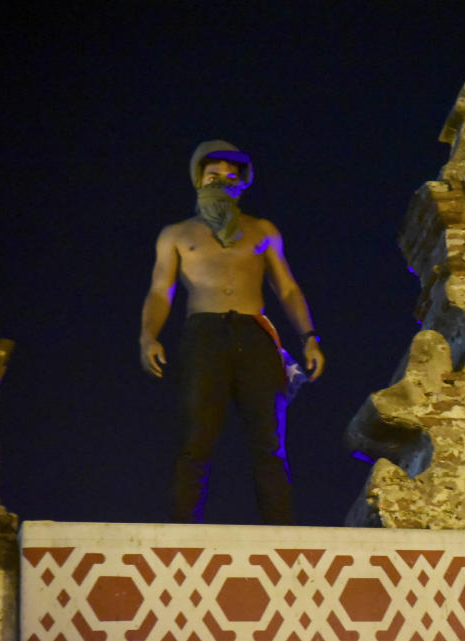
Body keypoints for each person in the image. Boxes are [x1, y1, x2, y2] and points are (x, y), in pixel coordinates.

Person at [139, 140, 324, 524]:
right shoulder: (176, 234)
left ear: (241, 182)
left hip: (254, 333)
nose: (221, 180)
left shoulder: (262, 231)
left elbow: (287, 288)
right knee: (196, 439)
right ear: (198, 181)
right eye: (212, 175)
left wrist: (309, 336)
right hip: (204, 334)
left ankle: (282, 535)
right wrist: (148, 335)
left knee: (269, 442)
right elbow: (161, 289)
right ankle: (183, 534)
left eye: (229, 175)